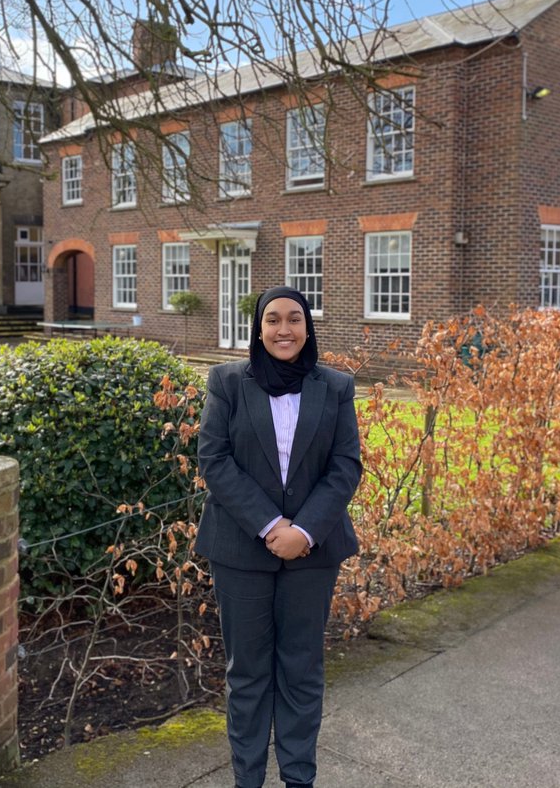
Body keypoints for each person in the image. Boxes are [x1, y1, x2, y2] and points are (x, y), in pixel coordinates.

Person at [196, 287, 362, 788]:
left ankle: (298, 779)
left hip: (312, 553)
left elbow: (345, 466)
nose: (283, 329)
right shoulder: (226, 382)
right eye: (272, 319)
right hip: (241, 550)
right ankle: (247, 779)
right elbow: (215, 460)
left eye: (294, 319)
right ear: (258, 327)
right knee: (247, 674)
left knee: (301, 671)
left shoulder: (335, 387)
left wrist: (304, 531)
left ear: (308, 328)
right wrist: (272, 526)